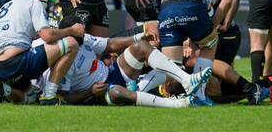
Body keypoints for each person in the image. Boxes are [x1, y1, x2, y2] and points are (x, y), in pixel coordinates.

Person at [50, 16, 212, 108]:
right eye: (79, 31)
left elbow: (110, 44)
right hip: (99, 93)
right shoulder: (64, 59)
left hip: (113, 73)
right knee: (117, 93)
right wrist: (90, 92)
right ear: (68, 34)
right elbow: (65, 98)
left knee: (141, 46)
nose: (83, 33)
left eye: (82, 29)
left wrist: (139, 37)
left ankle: (186, 79)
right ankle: (176, 104)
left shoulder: (84, 39)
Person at [155, 0, 238, 105]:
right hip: (191, 4)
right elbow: (228, 0)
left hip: (166, 6)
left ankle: (138, 89)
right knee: (210, 43)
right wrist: (213, 26)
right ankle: (199, 96)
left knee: (170, 67)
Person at [0, 0, 84, 105]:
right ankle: (49, 95)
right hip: (17, 62)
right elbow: (48, 36)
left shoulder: (5, 7)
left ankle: (5, 90)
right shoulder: (34, 3)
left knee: (30, 96)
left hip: (0, 67)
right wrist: (72, 30)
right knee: (71, 44)